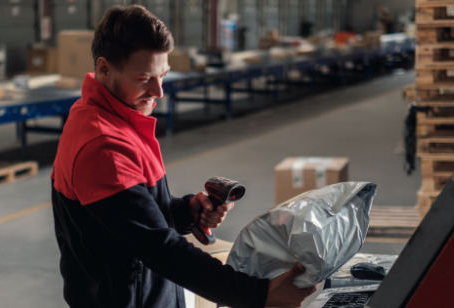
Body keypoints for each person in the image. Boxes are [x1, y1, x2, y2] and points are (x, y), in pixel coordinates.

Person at [50, 5, 316, 308]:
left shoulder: (118, 117)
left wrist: (185, 212)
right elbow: (158, 248)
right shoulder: (102, 145)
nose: (159, 91)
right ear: (104, 69)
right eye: (144, 78)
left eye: (163, 75)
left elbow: (129, 214)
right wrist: (258, 294)